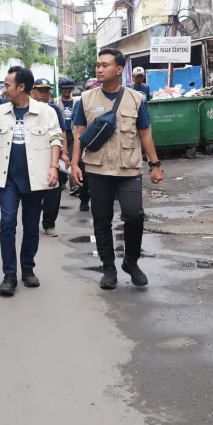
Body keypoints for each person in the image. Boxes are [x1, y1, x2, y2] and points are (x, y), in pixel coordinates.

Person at [71, 49, 163, 290]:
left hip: (128, 169)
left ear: (119, 70)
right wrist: (74, 164)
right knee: (102, 220)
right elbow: (79, 133)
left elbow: (145, 133)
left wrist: (155, 165)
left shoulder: (136, 99)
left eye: (105, 65)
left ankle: (131, 262)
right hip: (97, 169)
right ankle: (109, 268)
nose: (99, 69)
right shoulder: (86, 99)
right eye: (98, 65)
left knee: (134, 215)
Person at [0, 67, 62, 296]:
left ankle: (27, 268)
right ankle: (9, 274)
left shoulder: (46, 112)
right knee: (7, 223)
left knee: (31, 226)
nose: (4, 89)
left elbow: (55, 139)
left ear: (21, 87)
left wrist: (53, 167)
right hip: (7, 179)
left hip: (34, 179)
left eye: (7, 85)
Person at [32, 78, 69, 238]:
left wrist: (64, 153)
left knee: (53, 192)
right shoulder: (27, 109)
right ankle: (32, 222)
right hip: (33, 156)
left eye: (46, 91)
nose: (43, 94)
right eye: (39, 91)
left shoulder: (54, 110)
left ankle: (49, 223)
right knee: (33, 193)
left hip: (52, 156)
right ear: (32, 92)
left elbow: (63, 132)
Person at [71, 78, 101, 212]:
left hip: (101, 142)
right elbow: (77, 122)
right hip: (86, 141)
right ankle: (84, 199)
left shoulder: (104, 101)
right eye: (90, 89)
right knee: (84, 174)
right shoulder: (81, 102)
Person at [55, 76, 80, 196]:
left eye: (69, 88)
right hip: (60, 133)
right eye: (64, 88)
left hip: (73, 133)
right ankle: (61, 181)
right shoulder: (55, 102)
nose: (67, 91)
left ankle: (74, 184)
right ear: (60, 89)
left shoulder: (77, 102)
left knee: (73, 157)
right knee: (60, 157)